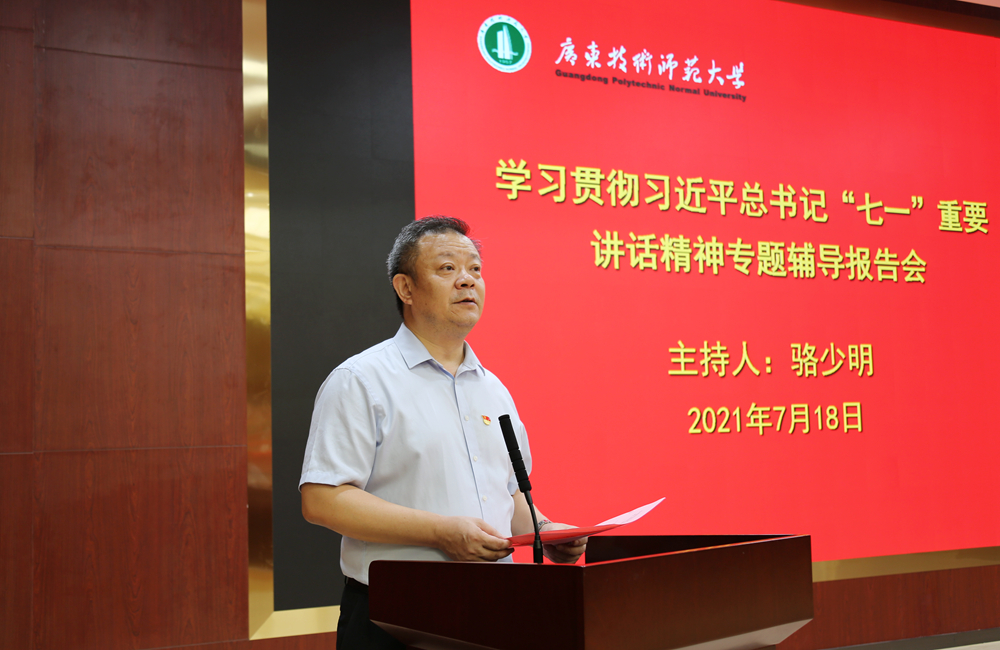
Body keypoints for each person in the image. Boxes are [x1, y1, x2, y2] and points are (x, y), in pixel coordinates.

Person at [299, 216, 586, 649]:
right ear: (405, 288)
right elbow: (322, 499)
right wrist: (441, 532)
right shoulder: (361, 380)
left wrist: (546, 530)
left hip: (494, 610)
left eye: (475, 269)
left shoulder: (493, 389)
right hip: (394, 617)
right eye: (448, 268)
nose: (467, 281)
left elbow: (506, 495)